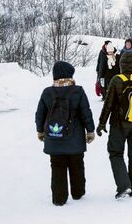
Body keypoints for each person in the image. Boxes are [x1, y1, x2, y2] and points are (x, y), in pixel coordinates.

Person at [35, 61, 95, 206]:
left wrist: (40, 131)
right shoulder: (78, 91)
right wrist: (90, 131)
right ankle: (78, 192)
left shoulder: (47, 92)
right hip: (75, 139)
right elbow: (86, 112)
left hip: (54, 138)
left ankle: (59, 198)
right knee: (77, 164)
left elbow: (40, 114)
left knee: (57, 167)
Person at [96, 52, 132, 199]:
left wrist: (101, 123)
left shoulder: (117, 80)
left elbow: (108, 105)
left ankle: (123, 186)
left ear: (121, 64)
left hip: (118, 124)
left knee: (115, 153)